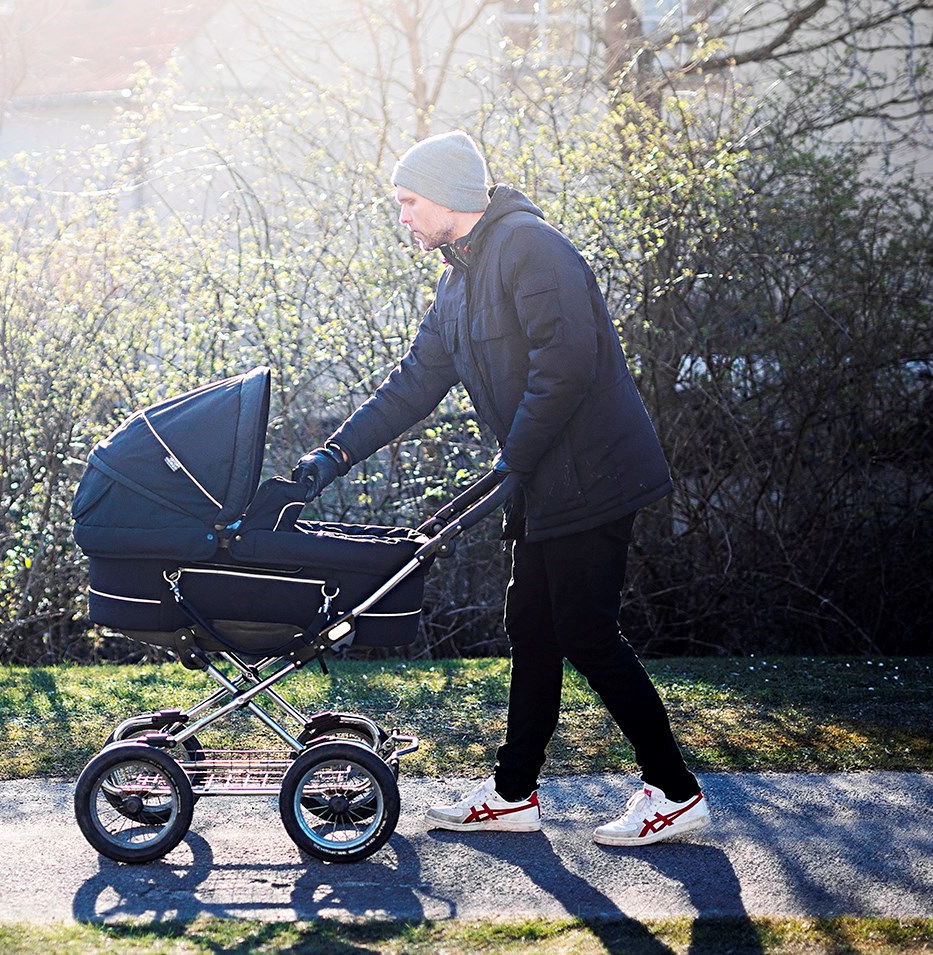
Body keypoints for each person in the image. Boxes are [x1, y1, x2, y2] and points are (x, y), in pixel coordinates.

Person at [291, 130, 709, 847]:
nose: (402, 216)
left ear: (449, 196)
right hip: (541, 480)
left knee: (584, 630)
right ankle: (514, 793)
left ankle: (674, 791)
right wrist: (333, 456)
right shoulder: (457, 279)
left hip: (592, 475)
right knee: (532, 628)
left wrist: (512, 459)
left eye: (409, 201)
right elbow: (412, 384)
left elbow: (566, 364)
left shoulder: (531, 249)